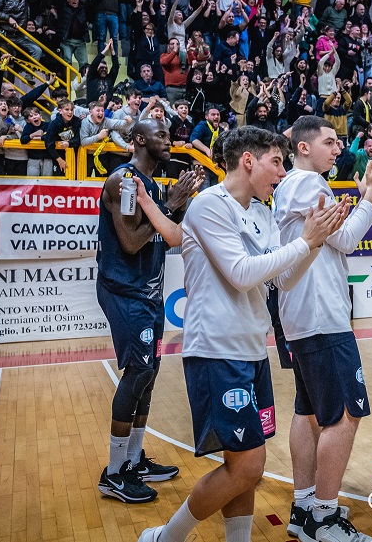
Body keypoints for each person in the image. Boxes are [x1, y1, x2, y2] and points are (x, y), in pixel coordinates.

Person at [136, 127, 349, 542]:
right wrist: (304, 242)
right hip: (215, 351)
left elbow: (282, 280)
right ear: (248, 160)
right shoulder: (209, 205)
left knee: (242, 468)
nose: (283, 173)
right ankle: (166, 537)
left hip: (252, 352)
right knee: (249, 465)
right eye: (277, 162)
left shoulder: (264, 214)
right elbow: (241, 273)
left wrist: (315, 244)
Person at [275, 116, 372, 542]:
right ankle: (324, 519)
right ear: (303, 147)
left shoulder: (293, 185)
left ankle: (305, 507)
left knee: (308, 411)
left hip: (303, 315)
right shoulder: (309, 183)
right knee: (346, 415)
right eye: (329, 142)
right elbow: (346, 239)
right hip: (321, 316)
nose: (337, 148)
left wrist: (362, 198)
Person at [96, 120, 203, 504]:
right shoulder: (125, 182)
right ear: (139, 139)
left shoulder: (152, 186)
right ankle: (114, 473)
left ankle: (133, 459)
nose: (170, 140)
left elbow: (165, 234)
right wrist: (170, 205)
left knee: (149, 373)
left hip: (148, 292)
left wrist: (181, 202)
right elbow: (129, 242)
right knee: (139, 371)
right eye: (161, 135)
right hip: (124, 291)